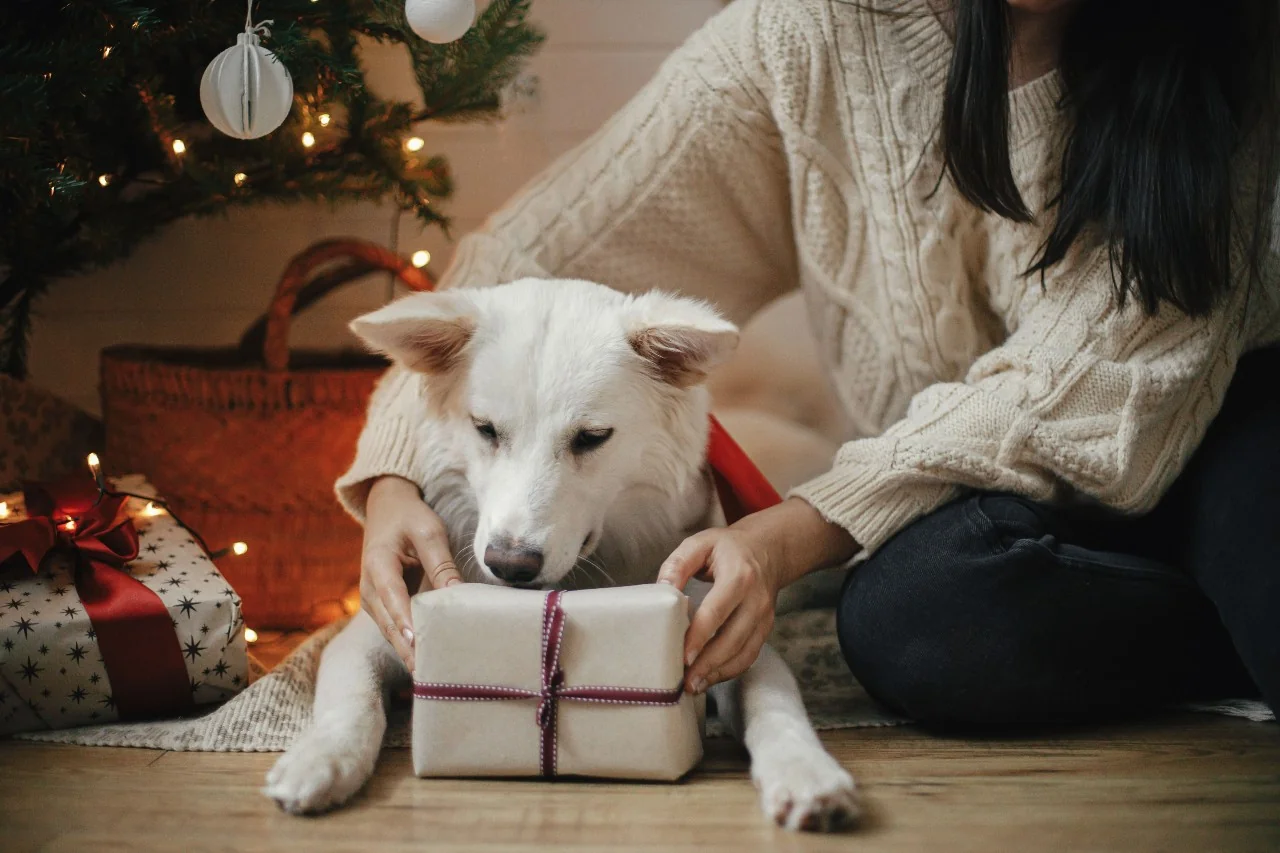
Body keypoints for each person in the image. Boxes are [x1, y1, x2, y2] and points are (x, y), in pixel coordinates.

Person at [337, 0, 1280, 724]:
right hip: (979, 495)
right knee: (906, 623)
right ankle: (1209, 644)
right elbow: (522, 267)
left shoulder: (1234, 37)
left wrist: (788, 536)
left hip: (1225, 432)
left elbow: (1093, 381)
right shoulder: (806, 34)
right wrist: (390, 474)